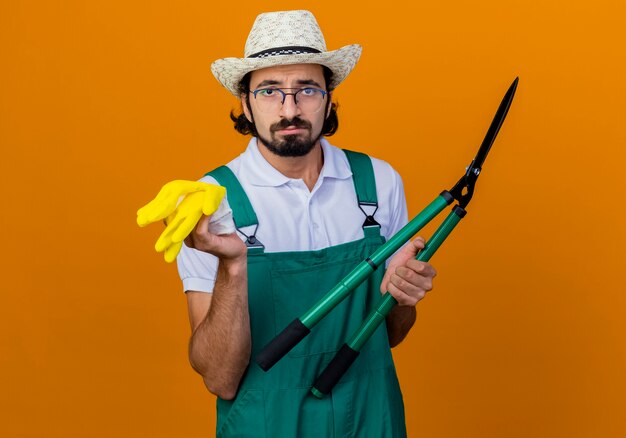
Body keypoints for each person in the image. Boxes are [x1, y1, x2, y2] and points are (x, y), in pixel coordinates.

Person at [177, 10, 437, 437]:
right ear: (244, 102)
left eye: (307, 90)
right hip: (264, 425)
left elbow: (391, 335)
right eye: (269, 91)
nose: (289, 108)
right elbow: (218, 378)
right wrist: (234, 267)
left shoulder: (379, 182)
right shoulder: (212, 202)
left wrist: (404, 296)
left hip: (370, 418)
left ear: (329, 98)